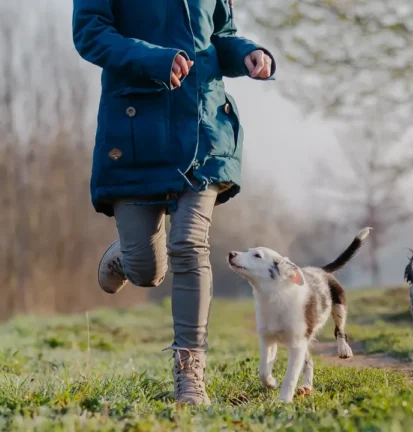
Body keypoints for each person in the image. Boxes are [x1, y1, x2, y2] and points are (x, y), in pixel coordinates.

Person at [72, 0, 275, 406]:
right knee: (147, 271)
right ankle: (127, 256)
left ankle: (189, 374)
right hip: (135, 130)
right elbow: (90, 34)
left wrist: (247, 52)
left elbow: (220, 36)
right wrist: (153, 59)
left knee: (188, 243)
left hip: (203, 128)